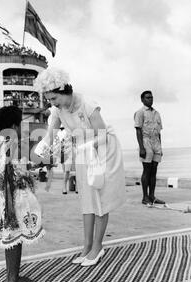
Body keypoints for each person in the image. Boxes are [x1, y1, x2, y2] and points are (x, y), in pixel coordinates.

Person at [34, 68, 126, 267]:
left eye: (53, 98)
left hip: (103, 150)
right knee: (86, 198)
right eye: (49, 100)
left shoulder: (88, 105)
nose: (52, 103)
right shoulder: (58, 110)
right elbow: (50, 135)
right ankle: (87, 246)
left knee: (100, 198)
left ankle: (97, 247)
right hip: (84, 150)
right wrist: (40, 148)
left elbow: (101, 135)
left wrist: (83, 146)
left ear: (64, 90)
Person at [0, 106, 45, 282]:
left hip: (3, 195)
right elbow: (33, 160)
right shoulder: (15, 144)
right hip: (15, 196)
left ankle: (12, 275)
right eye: (20, 124)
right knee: (15, 235)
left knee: (11, 236)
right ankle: (12, 278)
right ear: (13, 125)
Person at [134, 91, 165, 205]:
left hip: (156, 142)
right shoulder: (140, 112)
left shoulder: (156, 113)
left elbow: (159, 132)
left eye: (151, 97)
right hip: (146, 141)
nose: (150, 99)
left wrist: (160, 147)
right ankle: (145, 197)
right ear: (142, 99)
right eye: (147, 98)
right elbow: (138, 130)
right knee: (146, 170)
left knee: (154, 170)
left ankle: (152, 196)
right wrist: (141, 147)